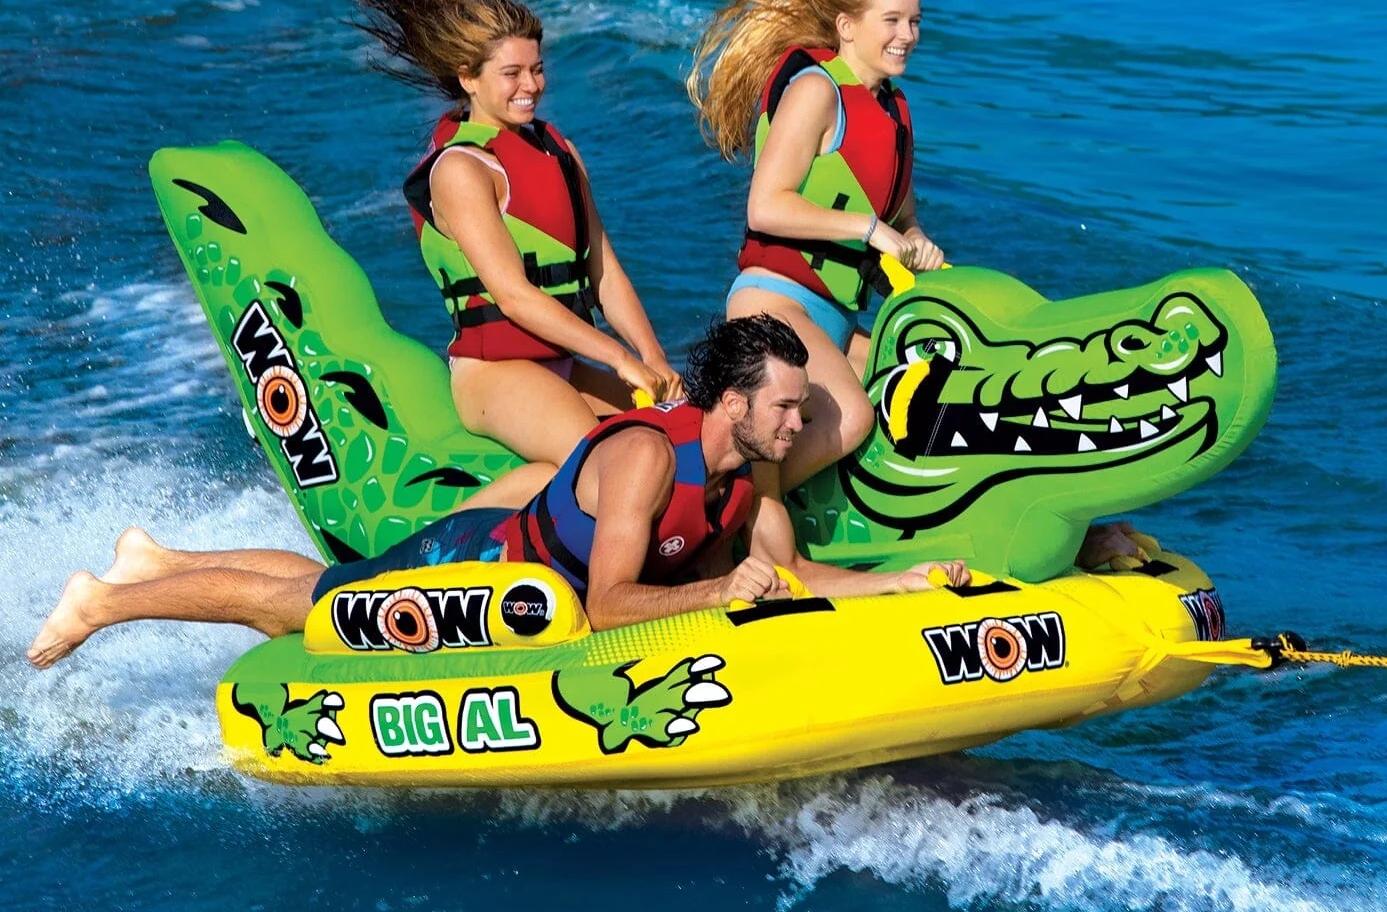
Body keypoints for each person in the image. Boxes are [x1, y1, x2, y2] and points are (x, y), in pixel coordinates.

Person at [29, 317, 979, 667]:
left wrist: (902, 584)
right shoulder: (650, 459)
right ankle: (104, 602)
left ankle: (159, 558)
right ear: (733, 404)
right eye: (785, 407)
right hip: (480, 567)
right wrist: (719, 592)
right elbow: (608, 606)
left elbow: (791, 573)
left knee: (338, 576)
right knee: (305, 607)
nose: (799, 423)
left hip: (525, 581)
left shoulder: (747, 477)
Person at [352, 0, 679, 506]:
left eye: (537, 68)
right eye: (512, 73)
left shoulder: (559, 151)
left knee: (675, 442)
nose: (531, 85)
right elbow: (514, 297)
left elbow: (604, 271)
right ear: (468, 79)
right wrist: (619, 358)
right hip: (493, 376)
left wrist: (653, 358)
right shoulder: (461, 170)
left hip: (562, 364)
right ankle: (450, 540)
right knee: (607, 468)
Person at [687, 0, 946, 488]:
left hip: (837, 315)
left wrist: (917, 241)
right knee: (852, 416)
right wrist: (869, 230)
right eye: (891, 21)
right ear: (847, 26)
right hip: (776, 303)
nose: (907, 35)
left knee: (933, 389)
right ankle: (731, 504)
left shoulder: (895, 110)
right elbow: (766, 206)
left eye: (915, 21)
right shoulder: (817, 91)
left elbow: (903, 219)